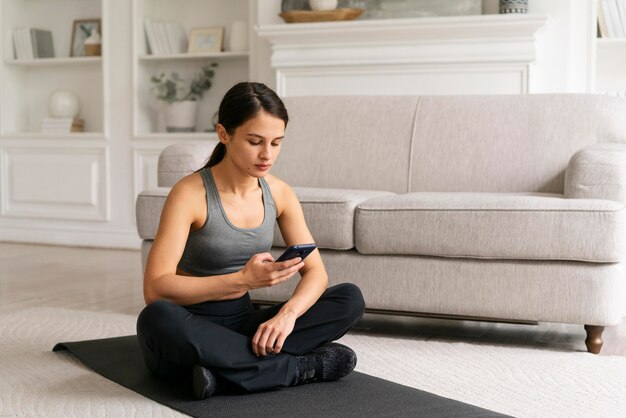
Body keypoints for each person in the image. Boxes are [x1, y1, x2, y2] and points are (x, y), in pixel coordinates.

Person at [136, 82, 366, 400]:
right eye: (255, 142)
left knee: (349, 298)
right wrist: (242, 279)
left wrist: (287, 317)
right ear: (224, 133)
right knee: (156, 318)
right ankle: (297, 369)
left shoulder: (280, 193)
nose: (267, 155)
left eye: (276, 142)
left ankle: (224, 373)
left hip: (246, 325)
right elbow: (156, 288)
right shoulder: (190, 194)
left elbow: (317, 273)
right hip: (192, 324)